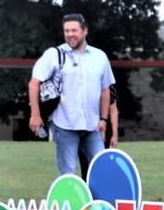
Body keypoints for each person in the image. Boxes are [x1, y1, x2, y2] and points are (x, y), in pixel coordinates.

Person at [29, 13, 115, 177]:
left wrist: (104, 119)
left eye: (74, 30)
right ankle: (71, 203)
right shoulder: (53, 54)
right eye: (66, 31)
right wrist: (35, 115)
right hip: (64, 125)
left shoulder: (100, 57)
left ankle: (97, 203)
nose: (70, 34)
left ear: (85, 31)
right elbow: (34, 83)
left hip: (93, 126)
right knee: (68, 174)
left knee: (100, 171)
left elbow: (106, 90)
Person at [77, 83, 120, 178]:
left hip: (103, 131)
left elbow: (113, 110)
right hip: (84, 128)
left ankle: (103, 190)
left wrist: (115, 135)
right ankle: (88, 190)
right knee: (85, 166)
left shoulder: (108, 83)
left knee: (103, 165)